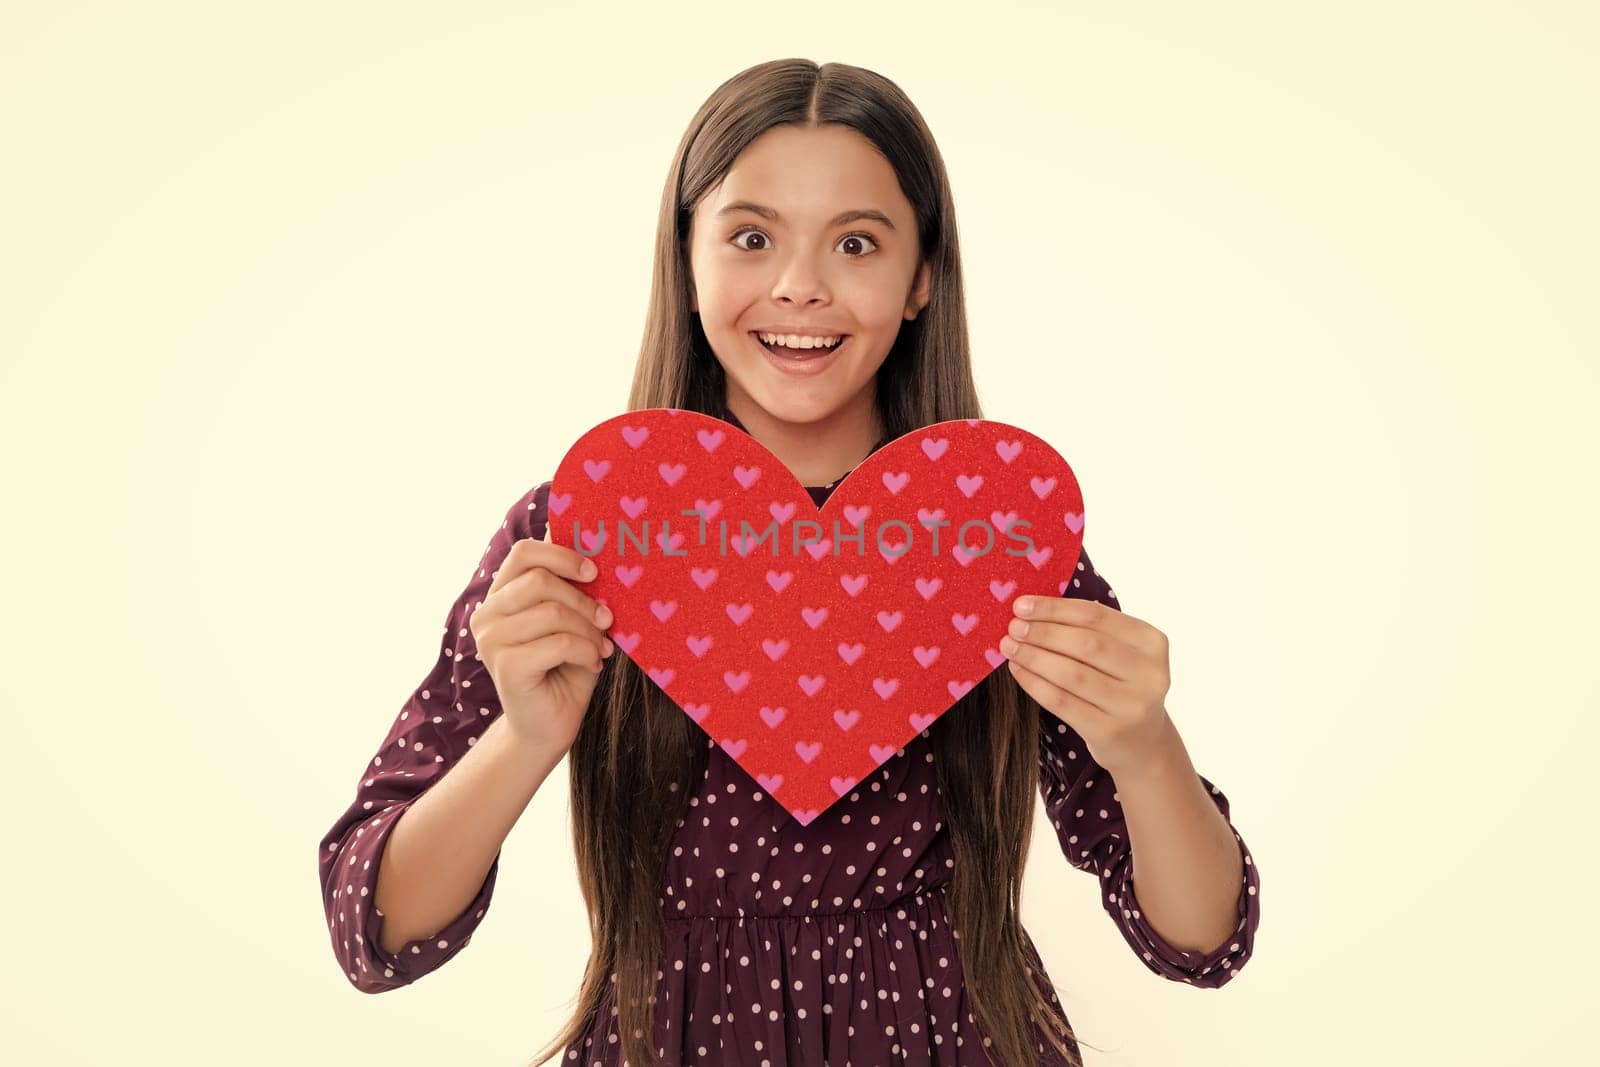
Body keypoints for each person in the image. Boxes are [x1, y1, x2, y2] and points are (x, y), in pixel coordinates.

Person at [317, 59, 1262, 1067]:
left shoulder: (990, 534)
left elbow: (1200, 938)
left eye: (856, 242)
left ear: (922, 278)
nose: (799, 284)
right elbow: (373, 930)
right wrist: (527, 734)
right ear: (685, 256)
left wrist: (1146, 746)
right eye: (751, 236)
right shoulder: (580, 535)